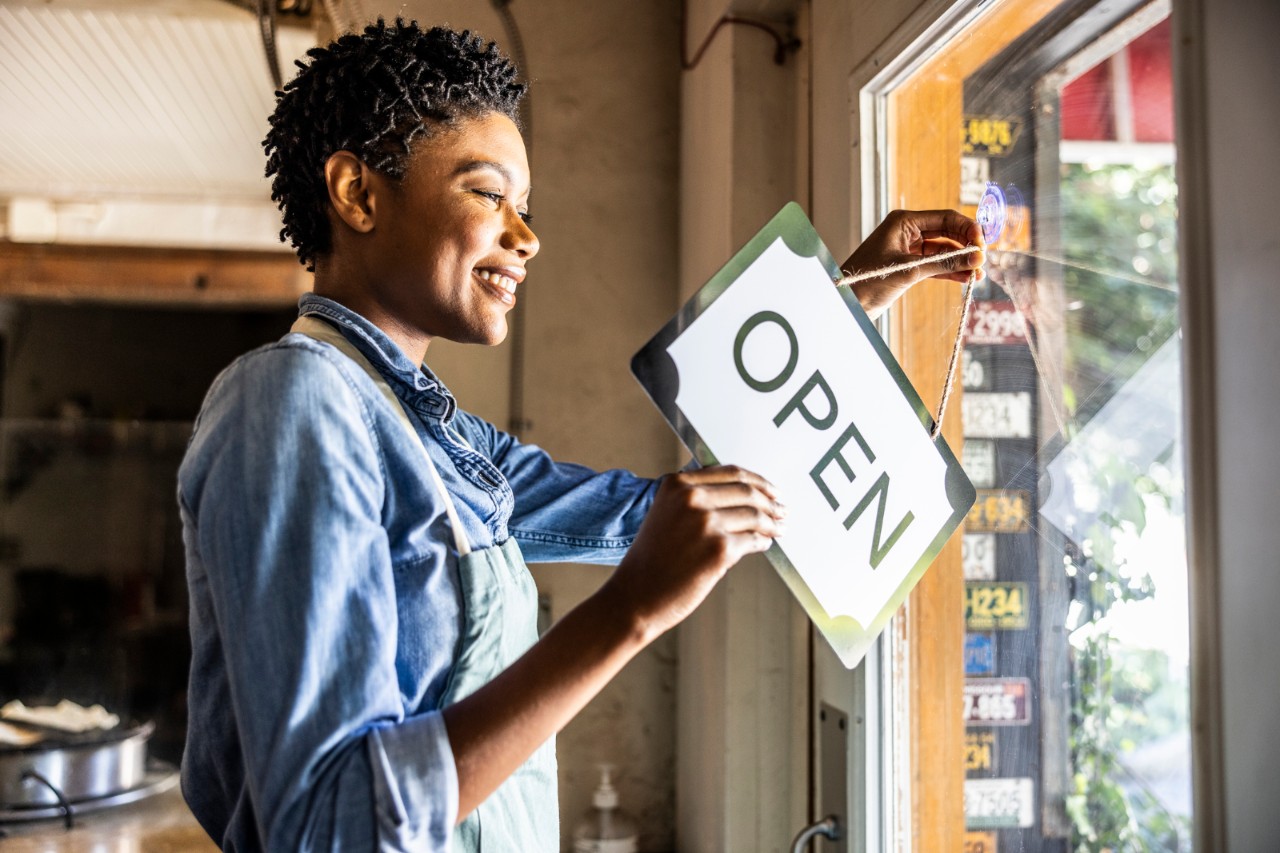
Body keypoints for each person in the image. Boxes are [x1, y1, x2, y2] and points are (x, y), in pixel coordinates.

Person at [177, 19, 984, 853]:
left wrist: (841, 307)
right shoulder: (291, 401)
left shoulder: (427, 429)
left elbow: (666, 514)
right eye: (489, 194)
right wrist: (629, 614)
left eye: (523, 208)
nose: (526, 237)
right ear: (358, 194)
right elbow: (326, 831)